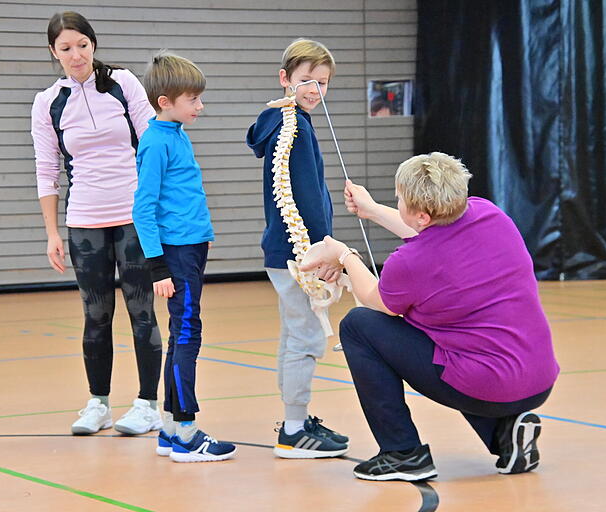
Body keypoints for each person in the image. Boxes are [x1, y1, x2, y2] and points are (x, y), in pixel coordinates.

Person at [300, 152, 560, 481]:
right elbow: (430, 232)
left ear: (421, 215)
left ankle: (402, 453)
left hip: (489, 386)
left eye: (399, 199)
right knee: (456, 339)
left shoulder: (411, 262)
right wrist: (373, 210)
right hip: (537, 379)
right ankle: (505, 435)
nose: (397, 201)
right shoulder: (489, 214)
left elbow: (376, 301)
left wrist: (343, 255)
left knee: (359, 326)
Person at [31, 11, 163, 436]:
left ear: (93, 44)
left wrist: (162, 213)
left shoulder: (123, 83)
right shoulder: (48, 102)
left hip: (134, 218)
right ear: (54, 52)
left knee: (142, 312)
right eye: (65, 48)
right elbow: (46, 170)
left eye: (82, 45)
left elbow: (154, 142)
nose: (76, 55)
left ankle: (147, 404)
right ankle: (99, 402)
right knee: (96, 315)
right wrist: (53, 232)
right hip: (84, 222)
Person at [246, 39, 349, 459]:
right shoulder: (291, 126)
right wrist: (325, 252)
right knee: (305, 337)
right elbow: (304, 195)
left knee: (295, 334)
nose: (314, 90)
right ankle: (293, 430)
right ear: (285, 79)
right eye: (306, 79)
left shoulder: (287, 121)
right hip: (299, 252)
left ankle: (296, 420)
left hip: (290, 250)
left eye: (322, 83)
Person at [133, 52, 236, 462]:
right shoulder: (156, 142)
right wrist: (158, 266)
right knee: (188, 333)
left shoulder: (176, 133)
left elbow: (184, 194)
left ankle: (170, 431)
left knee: (182, 333)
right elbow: (144, 207)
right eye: (193, 99)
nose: (200, 106)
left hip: (190, 246)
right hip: (173, 254)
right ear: (165, 101)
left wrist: (202, 236)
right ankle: (187, 431)